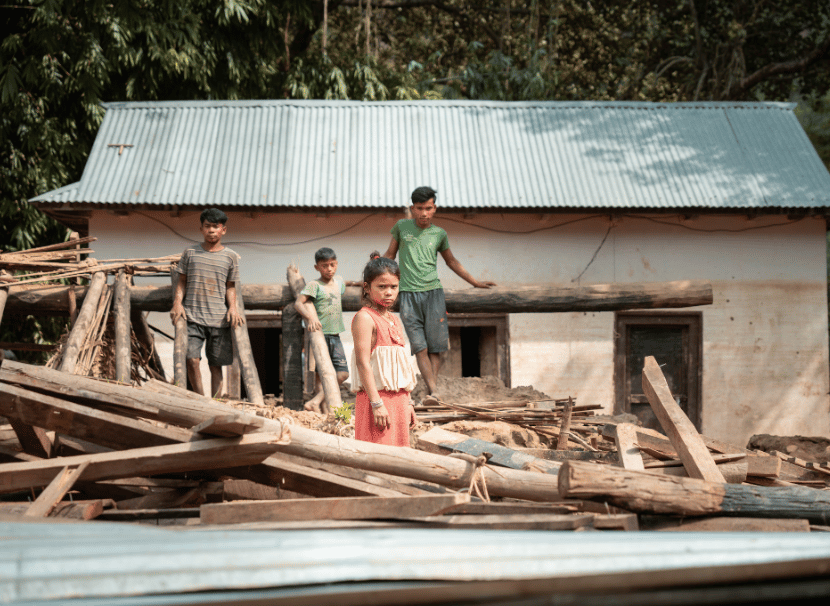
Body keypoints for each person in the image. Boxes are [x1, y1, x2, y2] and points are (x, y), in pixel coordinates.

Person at [382, 186, 496, 402]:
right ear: (412, 208)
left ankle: (430, 391)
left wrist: (475, 282)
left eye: (428, 208)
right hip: (407, 295)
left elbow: (451, 261)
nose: (424, 213)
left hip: (434, 293)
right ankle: (435, 391)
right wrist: (370, 279)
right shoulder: (401, 227)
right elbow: (389, 255)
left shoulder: (439, 233)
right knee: (420, 347)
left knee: (437, 349)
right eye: (419, 208)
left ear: (435, 208)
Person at [170, 208, 243, 398]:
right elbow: (182, 282)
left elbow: (230, 286)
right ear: (201, 229)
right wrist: (177, 303)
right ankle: (201, 399)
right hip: (193, 316)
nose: (211, 230)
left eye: (215, 227)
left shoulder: (231, 257)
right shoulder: (190, 253)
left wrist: (233, 308)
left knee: (216, 365)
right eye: (207, 226)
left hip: (219, 319)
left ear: (223, 230)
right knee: (191, 359)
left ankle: (216, 403)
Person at [351, 253, 418, 446]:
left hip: (399, 402)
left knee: (399, 458)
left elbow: (401, 368)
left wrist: (409, 403)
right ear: (367, 287)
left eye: (393, 287)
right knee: (376, 459)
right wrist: (377, 404)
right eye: (382, 287)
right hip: (377, 402)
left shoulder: (394, 319)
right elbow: (362, 363)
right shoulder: (364, 318)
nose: (388, 292)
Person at [294, 247, 350, 413]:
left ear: (337, 264)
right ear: (317, 267)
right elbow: (299, 303)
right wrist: (311, 317)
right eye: (324, 266)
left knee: (342, 374)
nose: (329, 269)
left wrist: (357, 283)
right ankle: (323, 414)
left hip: (335, 335)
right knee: (321, 377)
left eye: (332, 265)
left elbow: (346, 285)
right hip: (319, 336)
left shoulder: (339, 282)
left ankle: (314, 402)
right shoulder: (314, 285)